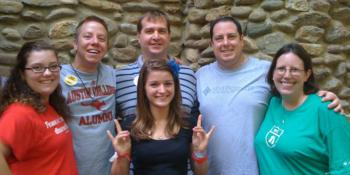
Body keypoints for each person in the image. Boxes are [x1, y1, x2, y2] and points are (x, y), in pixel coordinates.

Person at [195, 16, 342, 175]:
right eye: (219, 38)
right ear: (211, 44)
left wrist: (322, 96)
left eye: (231, 36)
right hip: (212, 170)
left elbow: (294, 92)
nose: (225, 43)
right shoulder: (200, 76)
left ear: (242, 40)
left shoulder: (265, 71)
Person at [254, 43, 350, 175]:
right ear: (272, 74)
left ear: (307, 74)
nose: (287, 75)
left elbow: (345, 169)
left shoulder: (327, 109)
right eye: (281, 69)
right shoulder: (272, 104)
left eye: (294, 70)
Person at [108, 59, 214, 175]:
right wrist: (122, 155)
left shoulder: (188, 123)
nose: (162, 90)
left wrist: (200, 152)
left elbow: (200, 173)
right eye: (154, 84)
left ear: (175, 86)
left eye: (168, 83)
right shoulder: (130, 126)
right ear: (143, 88)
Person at [0, 41, 78, 175]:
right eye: (37, 67)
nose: (48, 73)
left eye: (53, 66)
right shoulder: (19, 114)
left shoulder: (49, 105)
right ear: (22, 74)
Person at [115, 9, 198, 127]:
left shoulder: (187, 74)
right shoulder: (120, 77)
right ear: (139, 36)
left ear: (169, 36)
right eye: (149, 31)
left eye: (162, 31)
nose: (156, 36)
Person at [60, 16, 116, 175]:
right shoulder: (57, 77)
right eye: (87, 36)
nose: (95, 42)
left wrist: (170, 61)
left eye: (101, 38)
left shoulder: (113, 75)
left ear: (106, 46)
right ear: (75, 43)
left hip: (107, 169)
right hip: (69, 168)